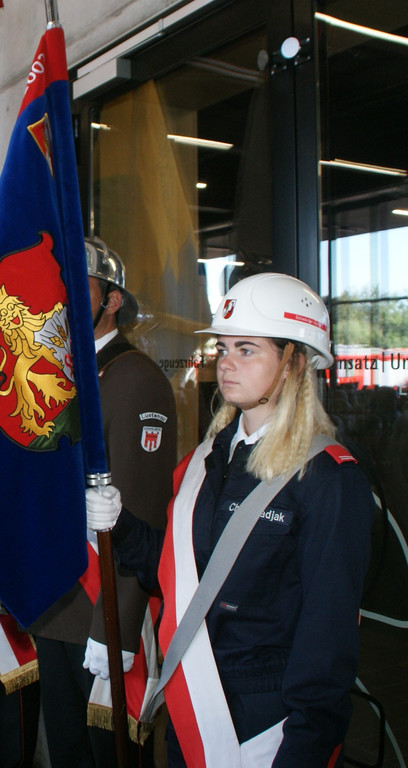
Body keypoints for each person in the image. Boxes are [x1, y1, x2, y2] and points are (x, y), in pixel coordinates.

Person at [87, 272, 375, 767]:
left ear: (294, 362)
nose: (226, 364)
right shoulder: (208, 460)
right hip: (189, 709)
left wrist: (302, 751)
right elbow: (177, 574)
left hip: (266, 725)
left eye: (247, 350)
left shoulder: (327, 480)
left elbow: (326, 645)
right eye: (223, 350)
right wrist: (119, 524)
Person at [28, 237, 177, 767]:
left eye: (79, 287)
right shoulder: (59, 371)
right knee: (67, 751)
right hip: (56, 599)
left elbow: (140, 510)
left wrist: (114, 627)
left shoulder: (134, 378)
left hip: (101, 609)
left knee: (106, 756)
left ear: (111, 299)